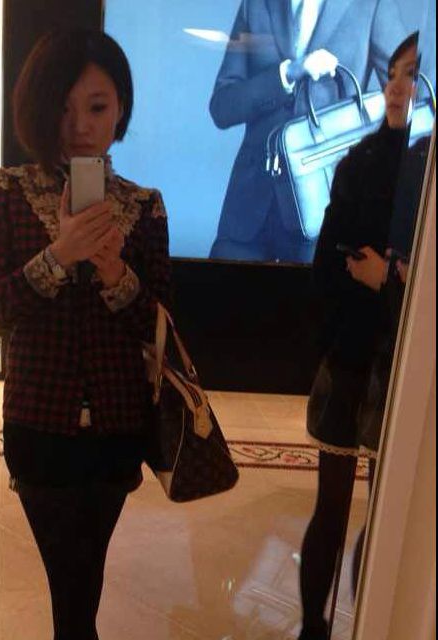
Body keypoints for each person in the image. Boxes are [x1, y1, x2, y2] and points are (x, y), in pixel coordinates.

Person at [0, 29, 171, 640]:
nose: (81, 126)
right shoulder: (5, 191)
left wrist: (113, 271)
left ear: (121, 109)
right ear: (38, 108)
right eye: (63, 107)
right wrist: (59, 255)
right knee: (73, 585)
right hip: (39, 426)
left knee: (83, 583)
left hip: (118, 428)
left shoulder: (145, 205)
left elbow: (158, 326)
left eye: (97, 106)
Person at [298, 33, 421, 640]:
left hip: (409, 365)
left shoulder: (425, 170)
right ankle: (313, 627)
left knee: (389, 512)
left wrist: (390, 276)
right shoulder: (359, 162)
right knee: (332, 507)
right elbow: (325, 265)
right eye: (393, 72)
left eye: (413, 74)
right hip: (352, 355)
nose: (398, 86)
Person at [208, 0, 406, 262]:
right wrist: (287, 73)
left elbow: (410, 104)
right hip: (247, 216)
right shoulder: (256, 3)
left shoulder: (372, 3)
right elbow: (222, 107)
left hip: (324, 217)